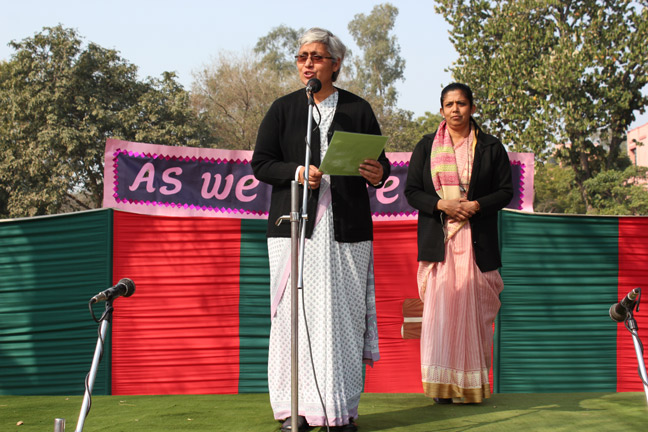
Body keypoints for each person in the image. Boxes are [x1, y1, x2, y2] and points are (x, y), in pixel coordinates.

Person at [251, 27, 390, 432]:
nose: (307, 64)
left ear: (336, 64)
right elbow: (261, 164)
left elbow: (380, 165)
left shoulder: (358, 109)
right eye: (302, 57)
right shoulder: (283, 109)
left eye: (316, 56)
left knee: (343, 319)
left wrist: (378, 172)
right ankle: (294, 411)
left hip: (347, 231)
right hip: (295, 228)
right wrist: (298, 172)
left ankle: (339, 411)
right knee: (293, 318)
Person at [405, 83, 513, 404]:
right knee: (441, 317)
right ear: (441, 110)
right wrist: (442, 205)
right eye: (449, 104)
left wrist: (475, 205)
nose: (455, 109)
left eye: (461, 103)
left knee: (475, 315)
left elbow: (505, 191)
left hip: (477, 242)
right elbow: (412, 192)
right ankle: (442, 388)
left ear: (472, 108)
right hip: (440, 241)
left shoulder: (491, 147)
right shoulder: (426, 146)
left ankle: (470, 387)